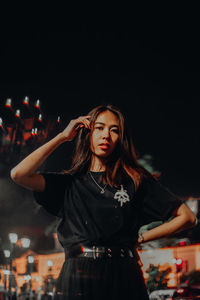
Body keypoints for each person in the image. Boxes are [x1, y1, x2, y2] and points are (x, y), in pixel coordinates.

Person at [10, 104, 197, 300]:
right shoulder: (69, 184)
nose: (106, 135)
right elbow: (18, 174)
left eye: (114, 130)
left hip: (124, 274)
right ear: (87, 133)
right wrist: (62, 137)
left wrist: (140, 239)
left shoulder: (135, 180)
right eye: (99, 128)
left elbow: (187, 217)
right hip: (78, 274)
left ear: (120, 139)